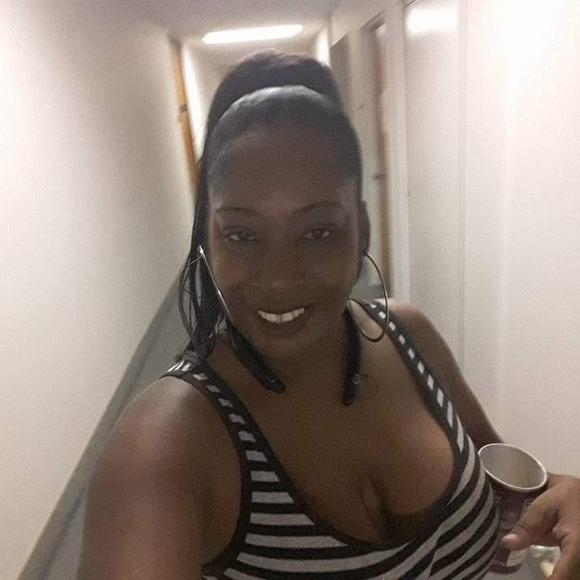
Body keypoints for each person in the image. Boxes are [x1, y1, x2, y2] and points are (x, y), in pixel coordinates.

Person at [78, 51, 580, 579]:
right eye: (243, 234)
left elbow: (501, 483)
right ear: (208, 238)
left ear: (360, 228)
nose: (278, 278)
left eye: (318, 231)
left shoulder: (411, 335)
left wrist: (562, 495)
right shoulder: (165, 448)